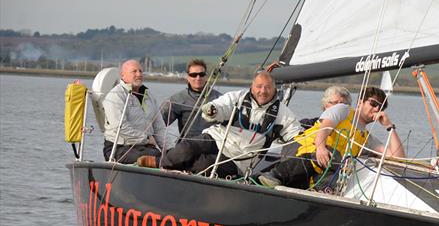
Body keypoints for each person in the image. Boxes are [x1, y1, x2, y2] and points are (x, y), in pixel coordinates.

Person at [138, 71, 302, 178]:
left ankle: (177, 168)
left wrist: (311, 143)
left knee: (205, 164)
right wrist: (212, 109)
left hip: (240, 158)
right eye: (259, 86)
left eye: (267, 87)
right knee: (188, 146)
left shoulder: (283, 113)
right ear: (252, 87)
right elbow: (221, 106)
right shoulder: (238, 97)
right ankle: (160, 162)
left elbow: (297, 135)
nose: (263, 91)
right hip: (218, 138)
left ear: (274, 89)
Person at [259, 86, 404, 189]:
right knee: (333, 155)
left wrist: (389, 127)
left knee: (342, 165)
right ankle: (274, 175)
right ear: (360, 102)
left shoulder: (367, 138)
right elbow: (326, 127)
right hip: (300, 152)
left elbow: (397, 159)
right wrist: (321, 148)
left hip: (319, 170)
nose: (377, 109)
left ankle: (317, 191)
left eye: (382, 107)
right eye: (373, 103)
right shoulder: (343, 109)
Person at [102, 59, 166, 163]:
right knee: (156, 158)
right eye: (134, 71)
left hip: (146, 147)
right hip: (119, 148)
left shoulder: (149, 97)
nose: (139, 74)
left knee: (168, 160)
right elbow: (120, 127)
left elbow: (159, 128)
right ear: (123, 75)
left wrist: (169, 150)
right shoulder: (115, 96)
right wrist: (146, 139)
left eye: (140, 71)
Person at [160, 59, 221, 142]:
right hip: (187, 146)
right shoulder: (177, 99)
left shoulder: (220, 99)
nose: (198, 78)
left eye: (201, 74)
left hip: (213, 146)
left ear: (206, 77)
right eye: (194, 75)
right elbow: (158, 122)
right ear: (188, 77)